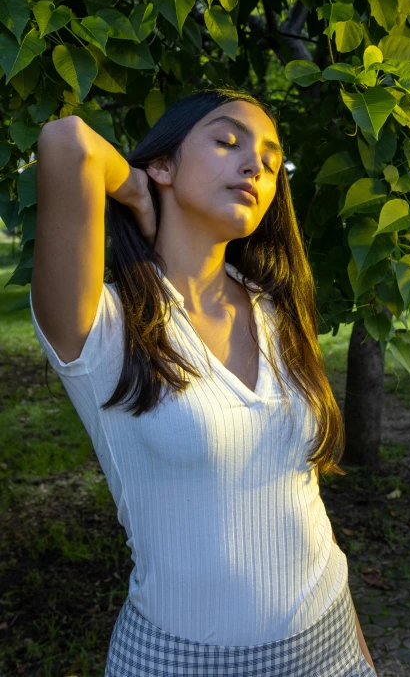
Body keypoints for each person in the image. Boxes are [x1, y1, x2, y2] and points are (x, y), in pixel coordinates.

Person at [30, 88, 377, 676]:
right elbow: (68, 143)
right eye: (226, 141)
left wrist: (361, 658)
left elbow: (303, 505)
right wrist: (133, 185)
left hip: (328, 641)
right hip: (177, 662)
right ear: (162, 164)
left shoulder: (277, 309)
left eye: (271, 161)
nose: (256, 166)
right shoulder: (104, 327)